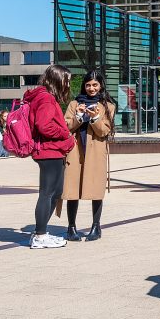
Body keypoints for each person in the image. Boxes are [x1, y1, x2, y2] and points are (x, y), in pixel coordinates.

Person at [23, 64, 75, 249]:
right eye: (66, 80)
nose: (68, 84)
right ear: (57, 79)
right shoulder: (45, 99)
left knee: (55, 193)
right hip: (49, 151)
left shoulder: (45, 97)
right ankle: (39, 235)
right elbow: (44, 126)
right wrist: (65, 134)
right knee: (47, 193)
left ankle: (41, 232)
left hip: (51, 150)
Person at [61, 71, 116, 241]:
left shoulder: (108, 106)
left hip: (96, 153)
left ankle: (96, 227)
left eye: (95, 85)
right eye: (88, 85)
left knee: (96, 190)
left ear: (101, 86)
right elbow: (66, 127)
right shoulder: (74, 104)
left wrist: (95, 118)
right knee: (72, 189)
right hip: (75, 151)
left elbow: (104, 131)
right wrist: (78, 116)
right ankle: (71, 228)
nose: (91, 88)